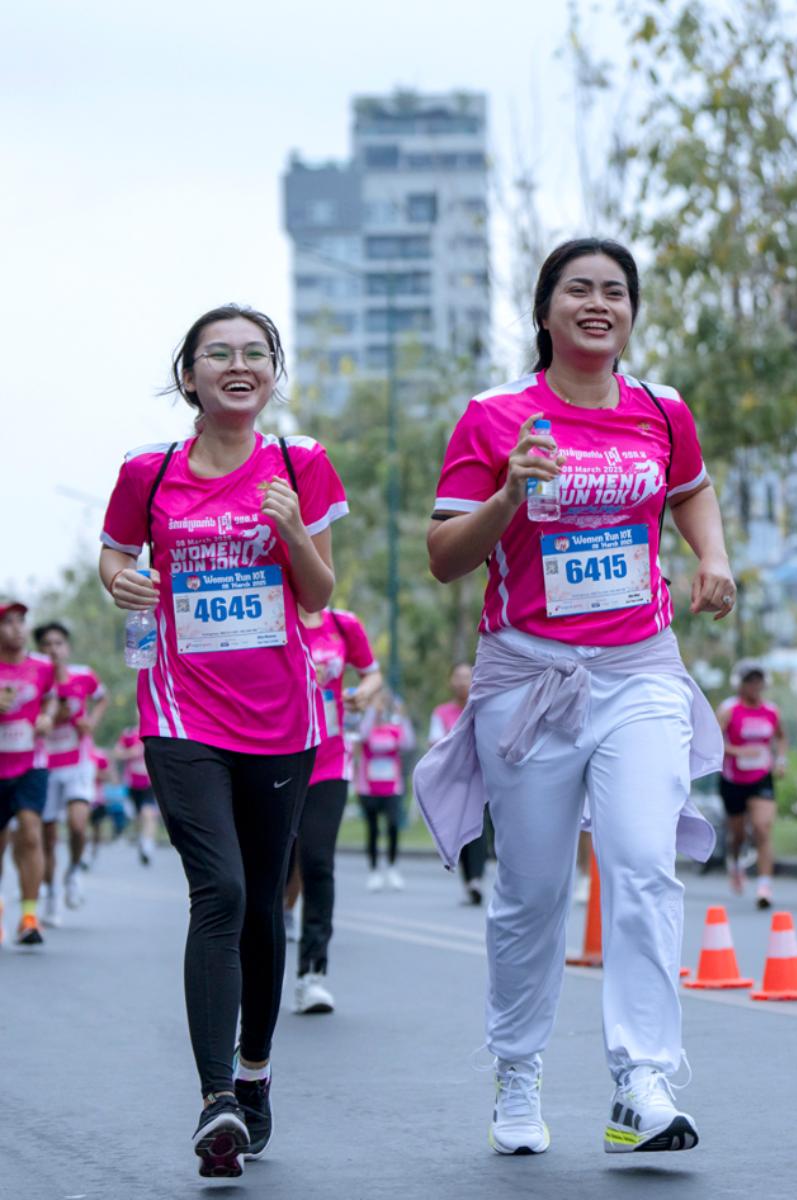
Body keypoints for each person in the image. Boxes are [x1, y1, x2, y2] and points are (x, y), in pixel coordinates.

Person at [415, 237, 733, 1157]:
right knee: (532, 891)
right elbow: (444, 558)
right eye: (579, 290)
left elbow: (692, 490)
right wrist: (509, 494)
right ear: (545, 309)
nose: (599, 304)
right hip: (529, 679)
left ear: (631, 313)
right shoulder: (495, 416)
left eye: (616, 292)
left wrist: (711, 556)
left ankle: (643, 1080)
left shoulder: (661, 410)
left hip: (640, 670)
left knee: (643, 865)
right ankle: (518, 1070)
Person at [98, 303, 346, 1176]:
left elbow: (319, 594)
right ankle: (215, 1102)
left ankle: (255, 1072)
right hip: (181, 715)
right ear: (189, 376)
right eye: (219, 354)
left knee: (263, 907)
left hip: (280, 720)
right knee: (222, 892)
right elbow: (115, 554)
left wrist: (290, 530)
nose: (239, 365)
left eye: (255, 353)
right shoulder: (150, 471)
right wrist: (124, 583)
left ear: (273, 373)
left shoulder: (300, 464)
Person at [293, 605, 381, 1012]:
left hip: (329, 759)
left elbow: (372, 673)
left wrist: (364, 693)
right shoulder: (271, 612)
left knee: (317, 861)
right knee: (275, 869)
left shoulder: (343, 624)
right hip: (275, 757)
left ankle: (312, 974)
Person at [33, 622, 107, 919]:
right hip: (45, 766)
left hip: (78, 762)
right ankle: (51, 893)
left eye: (58, 643)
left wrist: (92, 722)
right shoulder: (34, 679)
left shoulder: (84, 675)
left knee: (77, 825)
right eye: (47, 644)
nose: (53, 649)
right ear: (39, 650)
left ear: (67, 647)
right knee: (48, 837)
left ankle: (74, 871)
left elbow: (102, 698)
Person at [0, 600, 57, 945]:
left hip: (32, 762)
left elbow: (51, 697)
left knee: (31, 832)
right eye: (8, 622)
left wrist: (47, 716)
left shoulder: (42, 666)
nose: (17, 628)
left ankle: (30, 918)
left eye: (21, 621)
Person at [717, 664, 785, 908]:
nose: (755, 686)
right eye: (749, 682)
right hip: (733, 779)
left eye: (758, 681)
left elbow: (781, 737)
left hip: (761, 777)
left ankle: (764, 886)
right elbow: (712, 740)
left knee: (762, 827)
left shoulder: (771, 711)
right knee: (737, 834)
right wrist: (737, 751)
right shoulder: (729, 709)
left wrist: (781, 760)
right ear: (740, 684)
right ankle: (735, 862)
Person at [429, 662, 488, 905]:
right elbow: (435, 743)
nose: (463, 681)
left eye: (467, 676)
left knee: (480, 829)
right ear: (451, 681)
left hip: (482, 780)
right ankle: (468, 881)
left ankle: (476, 879)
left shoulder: (483, 708)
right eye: (458, 676)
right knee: (461, 830)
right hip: (454, 782)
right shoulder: (441, 713)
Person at [356, 697, 413, 891]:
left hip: (392, 788)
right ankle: (373, 871)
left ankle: (392, 867)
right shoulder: (367, 729)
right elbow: (362, 734)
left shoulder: (393, 729)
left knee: (393, 826)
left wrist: (402, 715)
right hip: (368, 788)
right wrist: (372, 709)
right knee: (372, 829)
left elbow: (408, 743)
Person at [113, 725, 158, 865]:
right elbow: (117, 753)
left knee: (148, 813)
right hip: (132, 784)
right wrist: (131, 752)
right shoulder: (128, 734)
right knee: (139, 817)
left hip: (149, 782)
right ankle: (142, 841)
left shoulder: (156, 730)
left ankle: (148, 845)